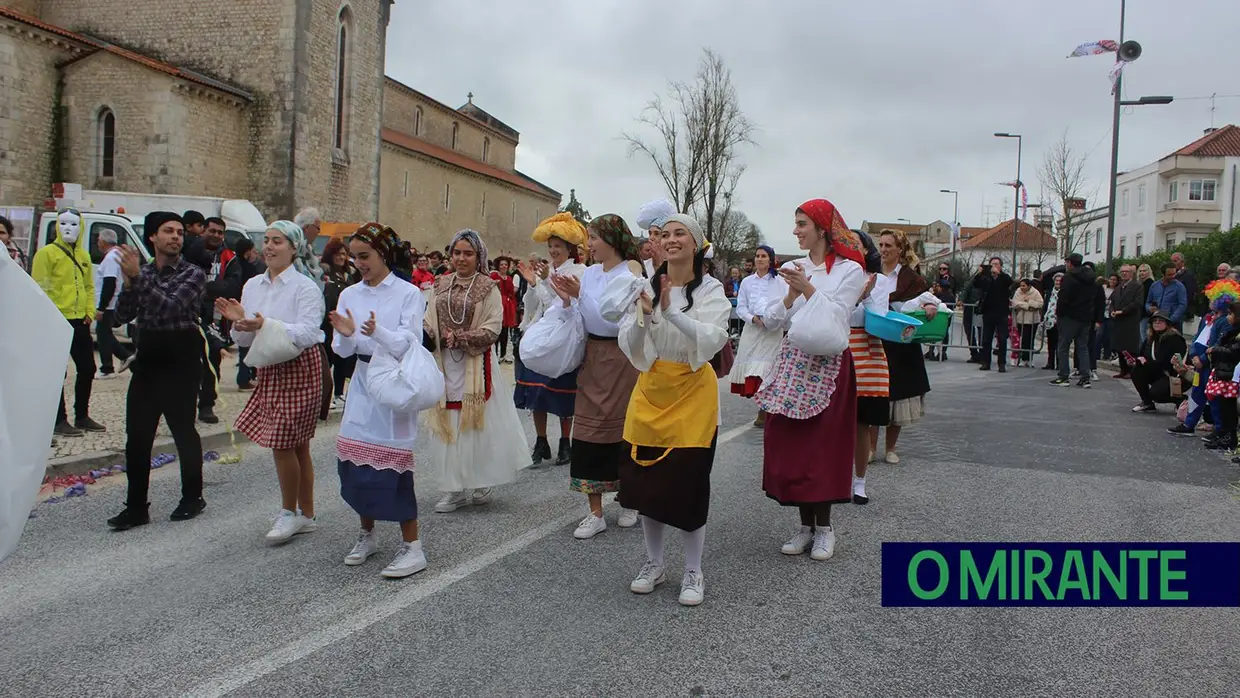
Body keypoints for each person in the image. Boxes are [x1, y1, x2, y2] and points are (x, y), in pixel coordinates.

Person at [616, 213, 729, 607]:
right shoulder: (645, 286)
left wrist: (673, 311)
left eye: (680, 233)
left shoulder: (712, 290)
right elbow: (630, 342)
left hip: (692, 391)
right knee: (648, 483)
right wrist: (646, 314)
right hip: (652, 390)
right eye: (665, 234)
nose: (671, 239)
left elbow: (713, 338)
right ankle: (654, 562)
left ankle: (694, 569)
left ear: (696, 244)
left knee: (688, 482)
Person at [756, 199, 867, 561]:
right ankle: (804, 526)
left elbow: (838, 315)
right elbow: (772, 320)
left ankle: (825, 528)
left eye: (802, 224)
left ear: (822, 228)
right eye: (795, 223)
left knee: (823, 444)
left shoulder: (850, 270)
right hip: (793, 361)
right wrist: (790, 294)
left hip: (829, 364)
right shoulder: (793, 268)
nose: (796, 231)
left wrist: (807, 288)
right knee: (793, 443)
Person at [328, 223, 429, 578]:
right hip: (362, 381)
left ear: (383, 254)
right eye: (354, 257)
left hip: (393, 382)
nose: (359, 263)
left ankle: (412, 547)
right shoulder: (350, 294)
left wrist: (377, 332)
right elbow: (343, 348)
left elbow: (410, 343)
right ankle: (366, 533)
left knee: (393, 467)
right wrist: (344, 335)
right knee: (355, 461)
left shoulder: (408, 293)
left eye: (365, 256)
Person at [219, 221, 326, 543]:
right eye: (265, 240)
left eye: (277, 241)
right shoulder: (253, 285)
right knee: (295, 445)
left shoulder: (305, 287)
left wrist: (267, 324)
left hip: (300, 366)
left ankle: (289, 512)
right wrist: (240, 321)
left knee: (284, 443)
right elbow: (242, 338)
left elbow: (309, 332)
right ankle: (305, 513)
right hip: (268, 367)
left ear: (293, 248)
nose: (269, 247)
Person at [106, 212, 208, 530]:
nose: (176, 237)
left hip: (181, 357)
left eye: (179, 232)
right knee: (137, 436)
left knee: (183, 430)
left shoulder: (193, 273)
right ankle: (136, 506)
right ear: (153, 237)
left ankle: (193, 496)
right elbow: (120, 316)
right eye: (168, 231)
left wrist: (138, 281)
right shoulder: (144, 272)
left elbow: (170, 306)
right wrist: (128, 284)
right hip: (148, 358)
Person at [548, 214, 643, 539]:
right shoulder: (588, 274)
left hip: (621, 358)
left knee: (624, 429)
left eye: (594, 238)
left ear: (612, 240)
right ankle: (595, 511)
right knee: (588, 431)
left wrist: (579, 297)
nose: (589, 245)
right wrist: (566, 300)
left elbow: (613, 319)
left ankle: (630, 500)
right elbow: (583, 316)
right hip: (593, 357)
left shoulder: (630, 271)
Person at [424, 229, 529, 513]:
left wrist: (461, 338)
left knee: (475, 422)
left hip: (476, 365)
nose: (461, 258)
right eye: (457, 252)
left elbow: (494, 327)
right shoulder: (439, 284)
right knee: (448, 421)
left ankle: (480, 479)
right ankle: (453, 486)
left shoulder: (487, 287)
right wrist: (430, 334)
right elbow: (427, 317)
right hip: (445, 364)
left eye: (467, 253)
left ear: (478, 256)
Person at [514, 213, 588, 466]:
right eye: (551, 247)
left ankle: (565, 442)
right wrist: (534, 283)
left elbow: (565, 303)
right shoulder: (547, 269)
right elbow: (537, 304)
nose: (554, 251)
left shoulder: (579, 271)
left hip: (566, 337)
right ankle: (541, 440)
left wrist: (545, 281)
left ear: (570, 249)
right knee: (537, 393)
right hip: (543, 336)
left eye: (559, 247)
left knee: (563, 394)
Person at [872, 228, 944, 463]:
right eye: (881, 245)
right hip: (874, 339)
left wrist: (929, 307)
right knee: (874, 393)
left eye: (888, 246)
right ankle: (870, 448)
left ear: (900, 250)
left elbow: (926, 300)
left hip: (902, 342)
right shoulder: (870, 273)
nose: (883, 250)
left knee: (899, 394)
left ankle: (891, 448)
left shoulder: (911, 278)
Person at [31, 208, 103, 437]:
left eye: (73, 224)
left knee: (87, 368)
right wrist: (48, 317)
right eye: (63, 224)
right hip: (57, 321)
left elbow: (89, 286)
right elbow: (40, 287)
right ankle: (59, 419)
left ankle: (81, 415)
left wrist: (89, 311)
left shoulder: (83, 255)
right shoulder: (46, 254)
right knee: (57, 372)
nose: (68, 229)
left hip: (80, 320)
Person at [728, 245, 783, 427]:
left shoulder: (780, 282)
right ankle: (761, 405)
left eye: (764, 256)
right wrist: (752, 318)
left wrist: (772, 318)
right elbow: (741, 306)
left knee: (767, 369)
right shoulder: (747, 282)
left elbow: (785, 304)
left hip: (772, 331)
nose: (760, 259)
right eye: (757, 256)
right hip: (752, 330)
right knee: (752, 368)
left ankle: (765, 409)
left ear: (770, 259)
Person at [188, 217, 233, 425]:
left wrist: (209, 290)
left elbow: (233, 284)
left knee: (212, 362)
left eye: (220, 232)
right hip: (189, 315)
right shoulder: (190, 251)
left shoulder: (228, 257)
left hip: (214, 317)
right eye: (212, 231)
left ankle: (207, 405)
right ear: (204, 230)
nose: (216, 235)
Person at [322, 237, 361, 409]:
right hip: (328, 322)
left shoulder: (350, 274)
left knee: (341, 361)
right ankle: (325, 397)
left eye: (344, 254)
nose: (341, 257)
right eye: (337, 254)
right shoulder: (325, 273)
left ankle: (338, 393)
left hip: (346, 323)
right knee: (327, 361)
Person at [94, 228, 135, 378]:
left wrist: (101, 307)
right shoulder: (116, 255)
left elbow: (109, 282)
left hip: (109, 303)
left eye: (99, 240)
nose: (97, 243)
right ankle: (120, 359)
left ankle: (108, 367)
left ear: (104, 242)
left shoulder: (111, 258)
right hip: (112, 302)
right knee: (104, 333)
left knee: (103, 334)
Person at [1050, 253, 1096, 388]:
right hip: (1085, 316)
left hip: (1069, 317)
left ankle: (1063, 376)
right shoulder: (1090, 277)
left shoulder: (1068, 277)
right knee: (1082, 347)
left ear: (1070, 263)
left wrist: (1059, 313)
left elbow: (1063, 298)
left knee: (1063, 347)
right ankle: (1085, 377)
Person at [1130, 313, 1188, 414]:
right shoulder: (1150, 339)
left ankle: (1180, 399)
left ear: (1167, 324)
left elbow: (1167, 363)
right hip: (1157, 371)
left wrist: (1146, 363)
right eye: (1154, 321)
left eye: (1160, 321)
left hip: (1174, 375)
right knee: (1136, 371)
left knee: (1156, 393)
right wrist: (1135, 360)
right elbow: (1141, 355)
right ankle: (1147, 403)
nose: (1157, 323)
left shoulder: (1175, 339)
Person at [227, 237, 263, 389]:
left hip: (236, 307)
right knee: (246, 346)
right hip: (243, 308)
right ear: (247, 252)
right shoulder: (247, 269)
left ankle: (246, 376)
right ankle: (244, 377)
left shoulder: (234, 264)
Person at [972, 256, 1014, 372]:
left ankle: (1001, 363)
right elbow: (976, 284)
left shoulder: (1004, 277)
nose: (994, 266)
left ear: (1000, 266)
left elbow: (1010, 284)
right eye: (992, 264)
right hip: (988, 311)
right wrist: (979, 274)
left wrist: (998, 274)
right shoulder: (986, 278)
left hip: (1001, 312)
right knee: (986, 338)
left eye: (996, 264)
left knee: (1002, 338)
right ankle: (986, 362)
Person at [1110, 265, 1144, 379]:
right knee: (1120, 347)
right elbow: (1112, 301)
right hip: (1118, 321)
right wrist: (1112, 311)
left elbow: (1137, 303)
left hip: (1130, 320)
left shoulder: (1137, 286)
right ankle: (1123, 370)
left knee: (1130, 347)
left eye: (1127, 272)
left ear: (1131, 273)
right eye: (1122, 272)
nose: (1124, 274)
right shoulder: (1119, 287)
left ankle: (1131, 371)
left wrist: (1123, 311)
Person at [635, 199, 675, 277]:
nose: (651, 238)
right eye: (650, 233)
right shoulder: (644, 266)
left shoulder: (677, 264)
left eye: (657, 233)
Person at [490, 256, 519, 363]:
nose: (504, 266)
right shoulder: (493, 276)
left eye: (505, 264)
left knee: (505, 331)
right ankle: (495, 354)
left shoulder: (509, 278)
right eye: (502, 264)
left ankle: (503, 354)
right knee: (497, 329)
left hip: (507, 306)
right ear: (498, 265)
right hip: (497, 304)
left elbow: (511, 292)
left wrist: (512, 303)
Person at [1010, 279, 1043, 367]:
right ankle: (1023, 359)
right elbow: (1014, 303)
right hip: (1021, 319)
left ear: (1028, 286)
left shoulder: (1035, 292)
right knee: (1023, 339)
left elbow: (1040, 304)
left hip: (1033, 320)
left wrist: (1030, 301)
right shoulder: (1018, 292)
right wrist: (1027, 306)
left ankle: (1029, 359)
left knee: (1030, 339)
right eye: (1021, 286)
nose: (1022, 288)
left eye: (1024, 286)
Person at [1147, 262, 1188, 333]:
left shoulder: (1179, 286)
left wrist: (1172, 319)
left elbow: (1183, 305)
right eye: (1170, 275)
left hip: (1173, 323)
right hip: (1157, 321)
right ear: (1163, 274)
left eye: (1174, 273)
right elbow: (1148, 302)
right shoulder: (1154, 286)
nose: (1173, 276)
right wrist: (1149, 308)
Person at [1172, 252, 1197, 321]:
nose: (1173, 263)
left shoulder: (1188, 275)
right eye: (1172, 261)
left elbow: (1190, 294)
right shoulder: (1172, 275)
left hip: (1182, 310)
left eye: (1175, 261)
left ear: (1182, 261)